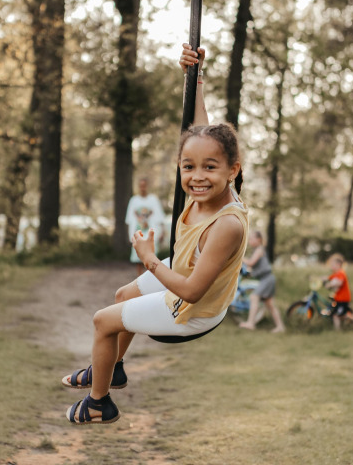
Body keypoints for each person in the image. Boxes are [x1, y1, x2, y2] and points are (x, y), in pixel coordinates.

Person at [61, 43, 249, 425]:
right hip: (184, 272)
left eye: (209, 167)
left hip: (194, 308)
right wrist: (193, 76)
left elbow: (193, 290)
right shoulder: (211, 183)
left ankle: (99, 405)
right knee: (122, 295)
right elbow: (201, 128)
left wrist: (148, 258)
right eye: (188, 166)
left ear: (232, 170)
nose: (197, 177)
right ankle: (112, 369)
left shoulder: (227, 224)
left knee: (103, 320)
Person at [239, 231, 285, 333]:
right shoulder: (257, 250)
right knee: (270, 304)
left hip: (267, 278)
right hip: (267, 278)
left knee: (254, 297)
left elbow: (251, 263)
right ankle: (280, 326)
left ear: (259, 239)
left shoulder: (259, 250)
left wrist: (240, 257)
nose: (249, 241)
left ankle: (251, 323)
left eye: (251, 239)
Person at [125, 177, 165, 276]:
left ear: (147, 186)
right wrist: (129, 234)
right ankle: (139, 276)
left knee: (151, 256)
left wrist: (162, 232)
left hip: (151, 232)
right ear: (139, 187)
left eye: (144, 186)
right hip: (138, 232)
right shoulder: (134, 200)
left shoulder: (153, 199)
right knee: (138, 256)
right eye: (141, 186)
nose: (143, 188)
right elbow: (129, 219)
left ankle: (151, 276)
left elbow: (160, 217)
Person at [323, 253, 353, 330]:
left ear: (339, 264)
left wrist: (329, 285)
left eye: (333, 264)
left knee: (337, 315)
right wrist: (316, 279)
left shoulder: (341, 273)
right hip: (338, 298)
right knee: (336, 315)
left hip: (343, 299)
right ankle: (338, 330)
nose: (331, 266)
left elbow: (339, 282)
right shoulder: (335, 274)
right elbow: (326, 277)